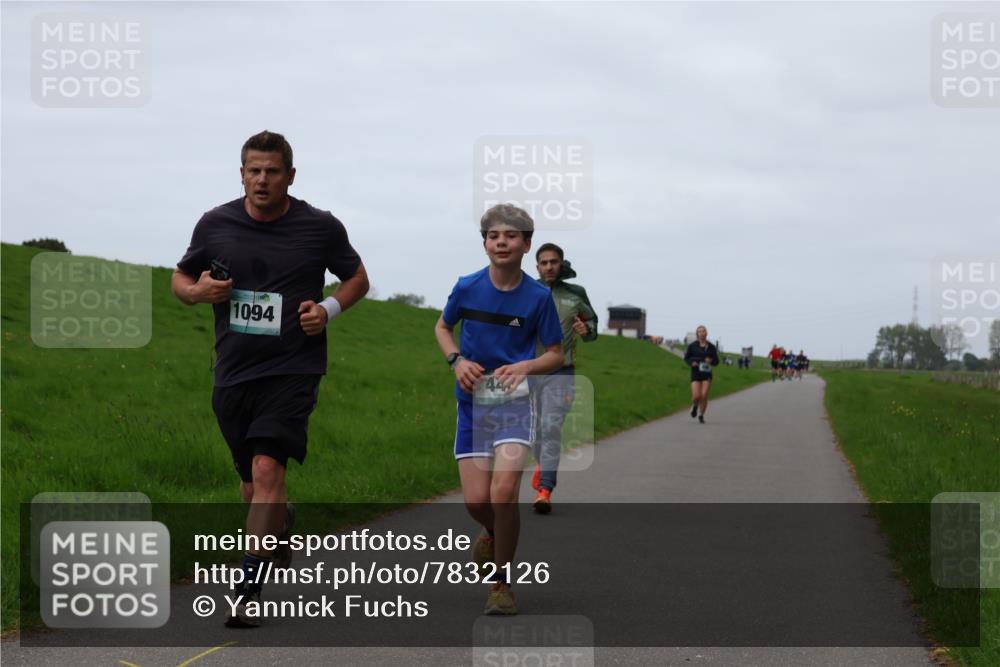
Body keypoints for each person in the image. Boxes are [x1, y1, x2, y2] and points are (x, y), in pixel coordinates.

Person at [172, 130, 369, 628]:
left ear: (290, 176)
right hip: (234, 372)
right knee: (250, 482)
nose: (262, 180)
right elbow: (180, 278)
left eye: (272, 171)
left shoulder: (319, 227)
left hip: (293, 367)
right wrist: (198, 293)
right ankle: (280, 520)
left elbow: (358, 278)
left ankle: (246, 590)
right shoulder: (215, 224)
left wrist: (327, 309)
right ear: (241, 174)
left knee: (267, 471)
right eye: (253, 171)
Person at [434, 204, 563, 615]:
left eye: (510, 236)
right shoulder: (467, 287)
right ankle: (490, 531)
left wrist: (526, 365)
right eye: (493, 236)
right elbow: (442, 327)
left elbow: (556, 355)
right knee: (476, 501)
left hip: (514, 404)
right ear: (485, 243)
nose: (501, 242)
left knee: (503, 492)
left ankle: (501, 585)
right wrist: (457, 361)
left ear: (526, 244)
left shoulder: (538, 297)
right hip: (473, 404)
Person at [530, 243, 598, 514]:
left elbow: (593, 328)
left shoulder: (575, 293)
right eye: (544, 262)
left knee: (550, 426)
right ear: (537, 267)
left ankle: (545, 490)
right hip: (530, 371)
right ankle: (542, 467)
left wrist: (585, 328)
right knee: (534, 431)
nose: (549, 267)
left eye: (553, 262)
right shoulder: (527, 291)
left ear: (561, 264)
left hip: (562, 372)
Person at [684, 325, 719, 424]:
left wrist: (711, 360)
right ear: (697, 334)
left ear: (706, 333)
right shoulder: (692, 346)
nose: (702, 333)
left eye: (703, 331)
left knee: (704, 395)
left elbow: (716, 361)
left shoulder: (711, 347)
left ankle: (701, 415)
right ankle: (695, 406)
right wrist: (692, 363)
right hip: (696, 372)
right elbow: (686, 358)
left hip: (706, 373)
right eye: (700, 331)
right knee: (696, 396)